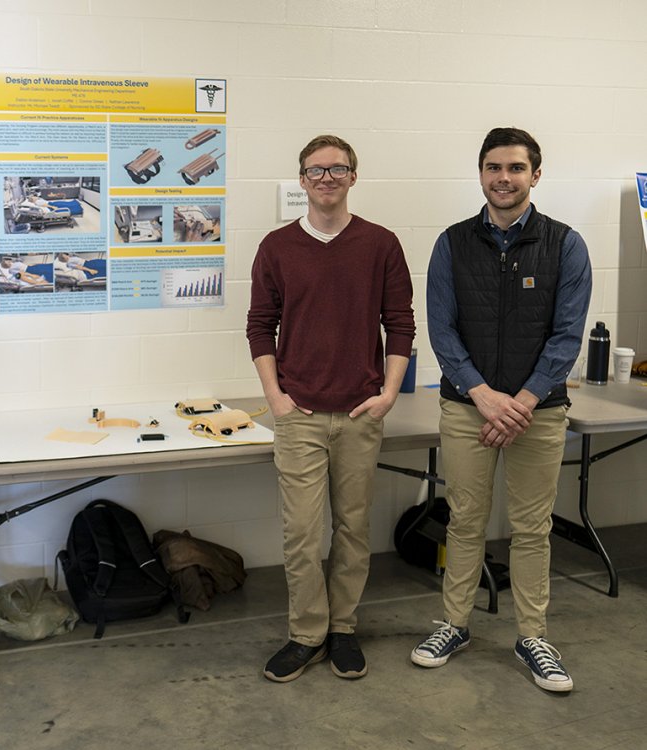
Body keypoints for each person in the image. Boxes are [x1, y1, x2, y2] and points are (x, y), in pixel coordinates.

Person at [412, 127, 591, 693]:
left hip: (538, 411)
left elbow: (567, 337)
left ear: (535, 175)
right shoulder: (451, 242)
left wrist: (524, 401)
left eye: (516, 168)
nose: (504, 178)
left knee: (532, 529)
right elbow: (441, 330)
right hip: (469, 409)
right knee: (464, 521)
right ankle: (454, 624)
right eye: (494, 167)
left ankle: (532, 635)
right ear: (481, 174)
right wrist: (484, 396)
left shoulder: (566, 244)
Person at [246, 134, 415, 682]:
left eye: (337, 169)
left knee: (354, 529)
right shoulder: (276, 247)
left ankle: (342, 628)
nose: (326, 178)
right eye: (316, 170)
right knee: (301, 533)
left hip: (360, 415)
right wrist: (276, 399)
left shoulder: (381, 243)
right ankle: (306, 634)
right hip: (299, 417)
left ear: (353, 177)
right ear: (301, 180)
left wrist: (388, 394)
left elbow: (401, 324)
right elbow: (259, 326)